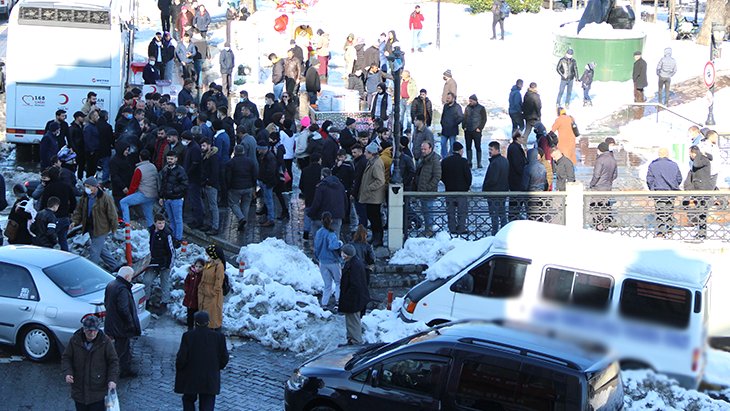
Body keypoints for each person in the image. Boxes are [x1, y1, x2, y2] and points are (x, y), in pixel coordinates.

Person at [174, 311, 229, 411]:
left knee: (188, 400)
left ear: (195, 323)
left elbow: (181, 358)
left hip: (191, 377)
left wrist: (180, 369)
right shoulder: (219, 337)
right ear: (208, 322)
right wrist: (216, 367)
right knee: (207, 403)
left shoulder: (188, 336)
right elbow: (224, 358)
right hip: (210, 378)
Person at [61, 316, 119, 411]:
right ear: (84, 329)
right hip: (79, 392)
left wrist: (112, 380)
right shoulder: (75, 340)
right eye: (89, 331)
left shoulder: (105, 342)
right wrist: (68, 373)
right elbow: (66, 357)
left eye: (94, 330)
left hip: (98, 393)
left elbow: (113, 362)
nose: (92, 333)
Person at [71, 177, 121, 271]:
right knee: (100, 248)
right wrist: (74, 221)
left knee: (94, 250)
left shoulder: (105, 198)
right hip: (90, 226)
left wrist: (114, 227)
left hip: (101, 228)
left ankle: (92, 270)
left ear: (95, 187)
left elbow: (112, 214)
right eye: (85, 186)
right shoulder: (85, 197)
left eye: (88, 187)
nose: (86, 189)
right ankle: (115, 266)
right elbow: (79, 211)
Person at [104, 266, 141, 378]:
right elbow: (124, 309)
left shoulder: (111, 285)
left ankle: (123, 369)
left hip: (113, 323)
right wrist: (130, 323)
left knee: (122, 348)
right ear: (126, 276)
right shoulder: (122, 289)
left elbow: (106, 303)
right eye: (130, 276)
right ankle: (120, 371)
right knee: (122, 349)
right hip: (121, 325)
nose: (131, 279)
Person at [646, 147, 682, 237]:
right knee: (670, 211)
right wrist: (674, 186)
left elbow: (649, 179)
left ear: (659, 154)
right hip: (671, 191)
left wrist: (652, 188)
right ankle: (670, 229)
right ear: (667, 154)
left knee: (660, 212)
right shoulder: (674, 165)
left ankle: (660, 232)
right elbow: (679, 178)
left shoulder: (653, 165)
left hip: (658, 191)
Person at [339, 244, 370, 345]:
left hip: (353, 300)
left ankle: (356, 342)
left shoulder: (354, 265)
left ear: (347, 255)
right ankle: (351, 340)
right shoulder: (355, 262)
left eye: (343, 252)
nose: (342, 254)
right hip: (354, 299)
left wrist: (347, 297)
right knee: (351, 321)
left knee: (353, 321)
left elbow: (355, 284)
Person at [120, 149, 158, 228]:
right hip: (153, 194)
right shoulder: (153, 166)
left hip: (144, 194)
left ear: (140, 158)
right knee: (149, 216)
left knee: (123, 202)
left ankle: (126, 223)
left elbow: (134, 185)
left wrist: (128, 195)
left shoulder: (139, 169)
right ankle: (152, 232)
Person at [145, 214, 175, 312]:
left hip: (164, 263)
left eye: (162, 223)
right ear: (155, 223)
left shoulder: (167, 234)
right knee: (146, 280)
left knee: (164, 283)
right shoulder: (152, 231)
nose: (161, 225)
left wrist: (168, 265)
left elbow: (171, 251)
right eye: (159, 223)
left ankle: (164, 303)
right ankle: (146, 300)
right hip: (154, 262)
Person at [359, 143, 386, 247]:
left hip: (374, 197)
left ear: (371, 153)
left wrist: (369, 188)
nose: (364, 153)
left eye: (366, 152)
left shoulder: (376, 164)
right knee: (372, 217)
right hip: (371, 196)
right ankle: (375, 237)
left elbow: (380, 180)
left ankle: (378, 238)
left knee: (375, 218)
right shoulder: (372, 162)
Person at [314, 211, 343, 309]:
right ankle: (338, 302)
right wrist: (340, 243)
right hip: (333, 262)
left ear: (321, 220)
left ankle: (324, 303)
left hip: (323, 262)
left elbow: (316, 247)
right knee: (338, 282)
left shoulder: (318, 233)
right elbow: (332, 246)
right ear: (331, 220)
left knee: (327, 284)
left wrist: (318, 257)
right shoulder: (331, 233)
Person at [441, 142, 471, 234]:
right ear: (460, 151)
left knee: (451, 212)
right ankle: (461, 228)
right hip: (462, 192)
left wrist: (447, 184)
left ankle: (452, 228)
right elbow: (468, 177)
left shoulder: (445, 161)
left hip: (449, 191)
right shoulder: (464, 161)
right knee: (462, 212)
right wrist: (467, 187)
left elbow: (442, 176)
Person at [308, 167, 348, 237]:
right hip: (337, 216)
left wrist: (310, 213)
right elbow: (345, 201)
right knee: (335, 237)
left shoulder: (321, 186)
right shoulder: (340, 185)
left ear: (322, 176)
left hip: (323, 217)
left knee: (318, 234)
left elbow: (317, 203)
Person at [158, 151, 188, 242]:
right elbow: (163, 184)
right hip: (167, 198)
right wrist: (161, 196)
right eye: (168, 159)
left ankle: (178, 238)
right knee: (171, 219)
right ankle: (172, 236)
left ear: (176, 159)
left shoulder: (180, 170)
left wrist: (173, 191)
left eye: (171, 159)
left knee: (177, 219)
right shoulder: (166, 169)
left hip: (176, 199)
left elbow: (185, 184)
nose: (169, 160)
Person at [226, 144, 257, 231]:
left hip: (235, 187)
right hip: (248, 187)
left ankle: (241, 218)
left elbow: (228, 177)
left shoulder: (231, 162)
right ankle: (244, 222)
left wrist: (228, 186)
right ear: (243, 151)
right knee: (246, 205)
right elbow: (254, 174)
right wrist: (254, 186)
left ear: (235, 152)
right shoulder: (250, 161)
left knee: (233, 203)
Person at [684, 145, 713, 239]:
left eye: (690, 153)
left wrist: (698, 154)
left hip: (703, 190)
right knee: (700, 212)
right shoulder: (700, 159)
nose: (689, 155)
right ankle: (701, 232)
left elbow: (696, 164)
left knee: (702, 212)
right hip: (699, 189)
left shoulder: (702, 160)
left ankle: (702, 233)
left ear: (694, 153)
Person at [482, 141, 509, 235]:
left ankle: (495, 233)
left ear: (497, 150)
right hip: (503, 192)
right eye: (489, 149)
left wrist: (485, 188)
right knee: (502, 214)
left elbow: (492, 179)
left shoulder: (495, 163)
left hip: (494, 193)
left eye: (491, 149)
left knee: (494, 215)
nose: (489, 151)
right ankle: (503, 232)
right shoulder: (504, 160)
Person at [415, 140, 442, 235]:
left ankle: (429, 230)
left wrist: (428, 187)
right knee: (425, 211)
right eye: (422, 149)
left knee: (429, 212)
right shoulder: (423, 159)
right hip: (422, 190)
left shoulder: (434, 160)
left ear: (430, 149)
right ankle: (427, 229)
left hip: (429, 192)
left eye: (425, 149)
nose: (423, 151)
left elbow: (437, 176)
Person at [199, 245, 225, 330]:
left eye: (207, 254)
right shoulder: (208, 264)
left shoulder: (219, 266)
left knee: (213, 317)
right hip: (204, 293)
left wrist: (212, 292)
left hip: (212, 296)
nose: (206, 256)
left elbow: (218, 282)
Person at [200, 138, 221, 235]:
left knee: (213, 206)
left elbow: (215, 172)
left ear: (209, 145)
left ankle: (215, 226)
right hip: (206, 184)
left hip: (211, 185)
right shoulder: (206, 156)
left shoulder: (213, 157)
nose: (202, 148)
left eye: (204, 145)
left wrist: (208, 181)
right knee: (208, 206)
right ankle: (209, 224)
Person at [462, 94, 487, 168]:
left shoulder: (481, 108)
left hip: (477, 130)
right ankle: (469, 162)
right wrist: (464, 127)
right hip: (468, 130)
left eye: (471, 101)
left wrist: (480, 128)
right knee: (468, 146)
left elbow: (484, 119)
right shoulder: (467, 108)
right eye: (469, 101)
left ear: (475, 101)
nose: (470, 102)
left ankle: (479, 163)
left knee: (478, 146)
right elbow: (464, 118)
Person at [183, 258, 206, 331]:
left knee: (196, 315)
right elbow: (186, 282)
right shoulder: (191, 274)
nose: (198, 268)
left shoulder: (202, 276)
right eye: (196, 266)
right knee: (189, 315)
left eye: (200, 267)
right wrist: (187, 290)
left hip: (197, 299)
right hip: (189, 298)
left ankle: (196, 329)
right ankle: (189, 329)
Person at [440, 92, 463, 159]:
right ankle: (444, 158)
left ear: (453, 99)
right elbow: (443, 115)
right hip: (444, 129)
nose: (447, 99)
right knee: (442, 144)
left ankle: (450, 157)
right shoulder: (445, 106)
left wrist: (454, 124)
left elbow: (461, 117)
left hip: (452, 130)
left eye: (449, 98)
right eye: (447, 98)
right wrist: (442, 122)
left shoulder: (457, 107)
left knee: (452, 145)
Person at [633, 50, 648, 119]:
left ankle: (639, 106)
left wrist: (634, 79)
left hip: (638, 81)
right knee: (641, 92)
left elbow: (636, 73)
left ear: (639, 56)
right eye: (635, 56)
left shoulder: (637, 63)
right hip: (643, 80)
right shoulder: (644, 62)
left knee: (638, 93)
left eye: (636, 56)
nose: (635, 57)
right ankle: (641, 103)